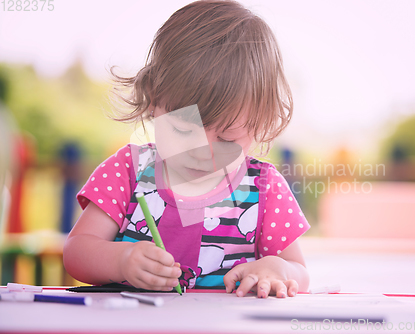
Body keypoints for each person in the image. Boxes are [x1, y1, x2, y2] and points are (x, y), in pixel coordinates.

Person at [63, 0, 310, 298]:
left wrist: (277, 269)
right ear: (154, 98)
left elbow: (299, 271)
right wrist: (121, 261)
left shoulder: (264, 188)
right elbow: (77, 252)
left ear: (258, 125)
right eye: (184, 128)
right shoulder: (129, 172)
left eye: (227, 140)